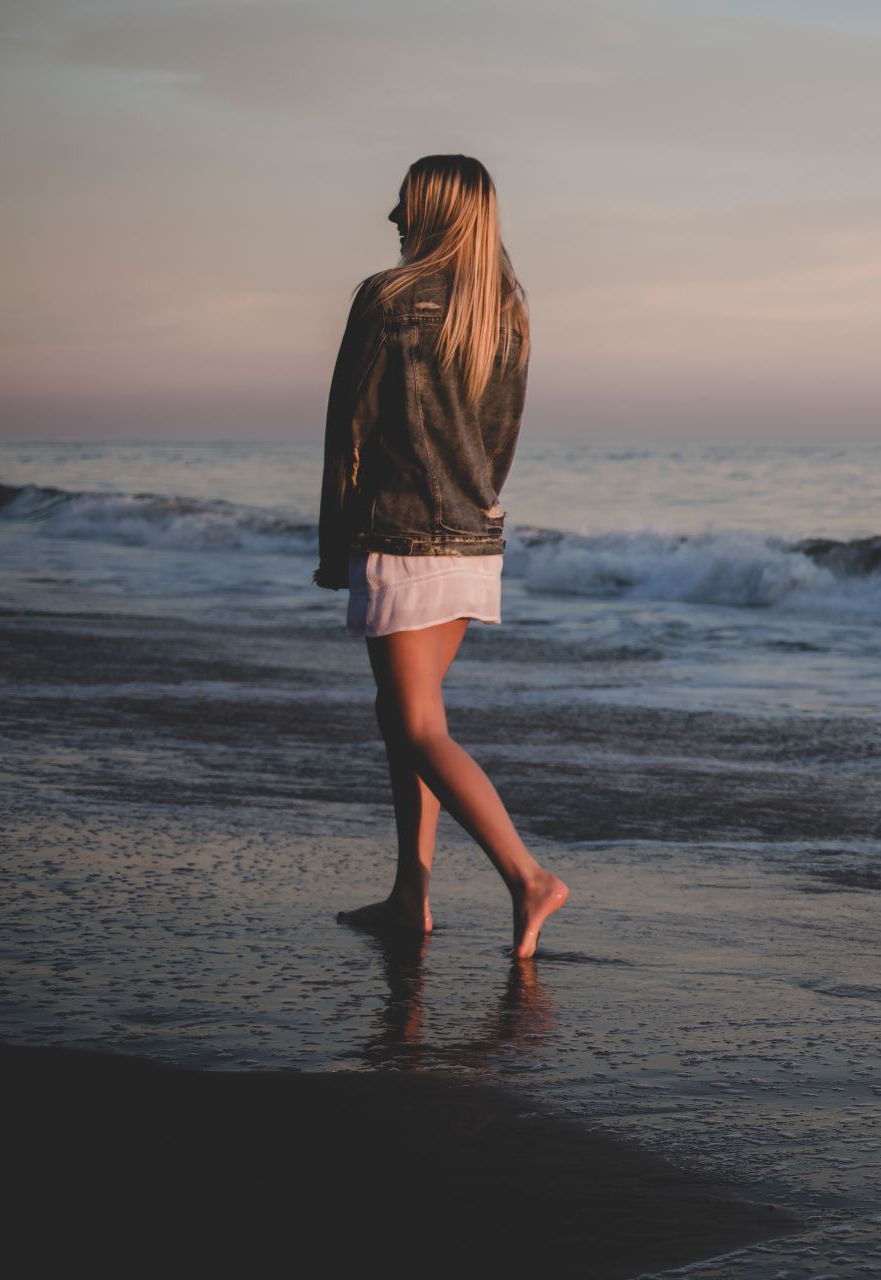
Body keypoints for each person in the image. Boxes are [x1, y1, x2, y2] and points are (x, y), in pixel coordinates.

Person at [313, 154, 568, 959]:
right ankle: (408, 894)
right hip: (471, 538)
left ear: (436, 212)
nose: (392, 214)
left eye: (405, 201)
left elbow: (345, 432)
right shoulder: (508, 311)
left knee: (417, 724)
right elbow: (499, 444)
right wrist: (471, 513)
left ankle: (528, 877)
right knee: (408, 718)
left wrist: (332, 543)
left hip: (399, 535)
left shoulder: (386, 299)